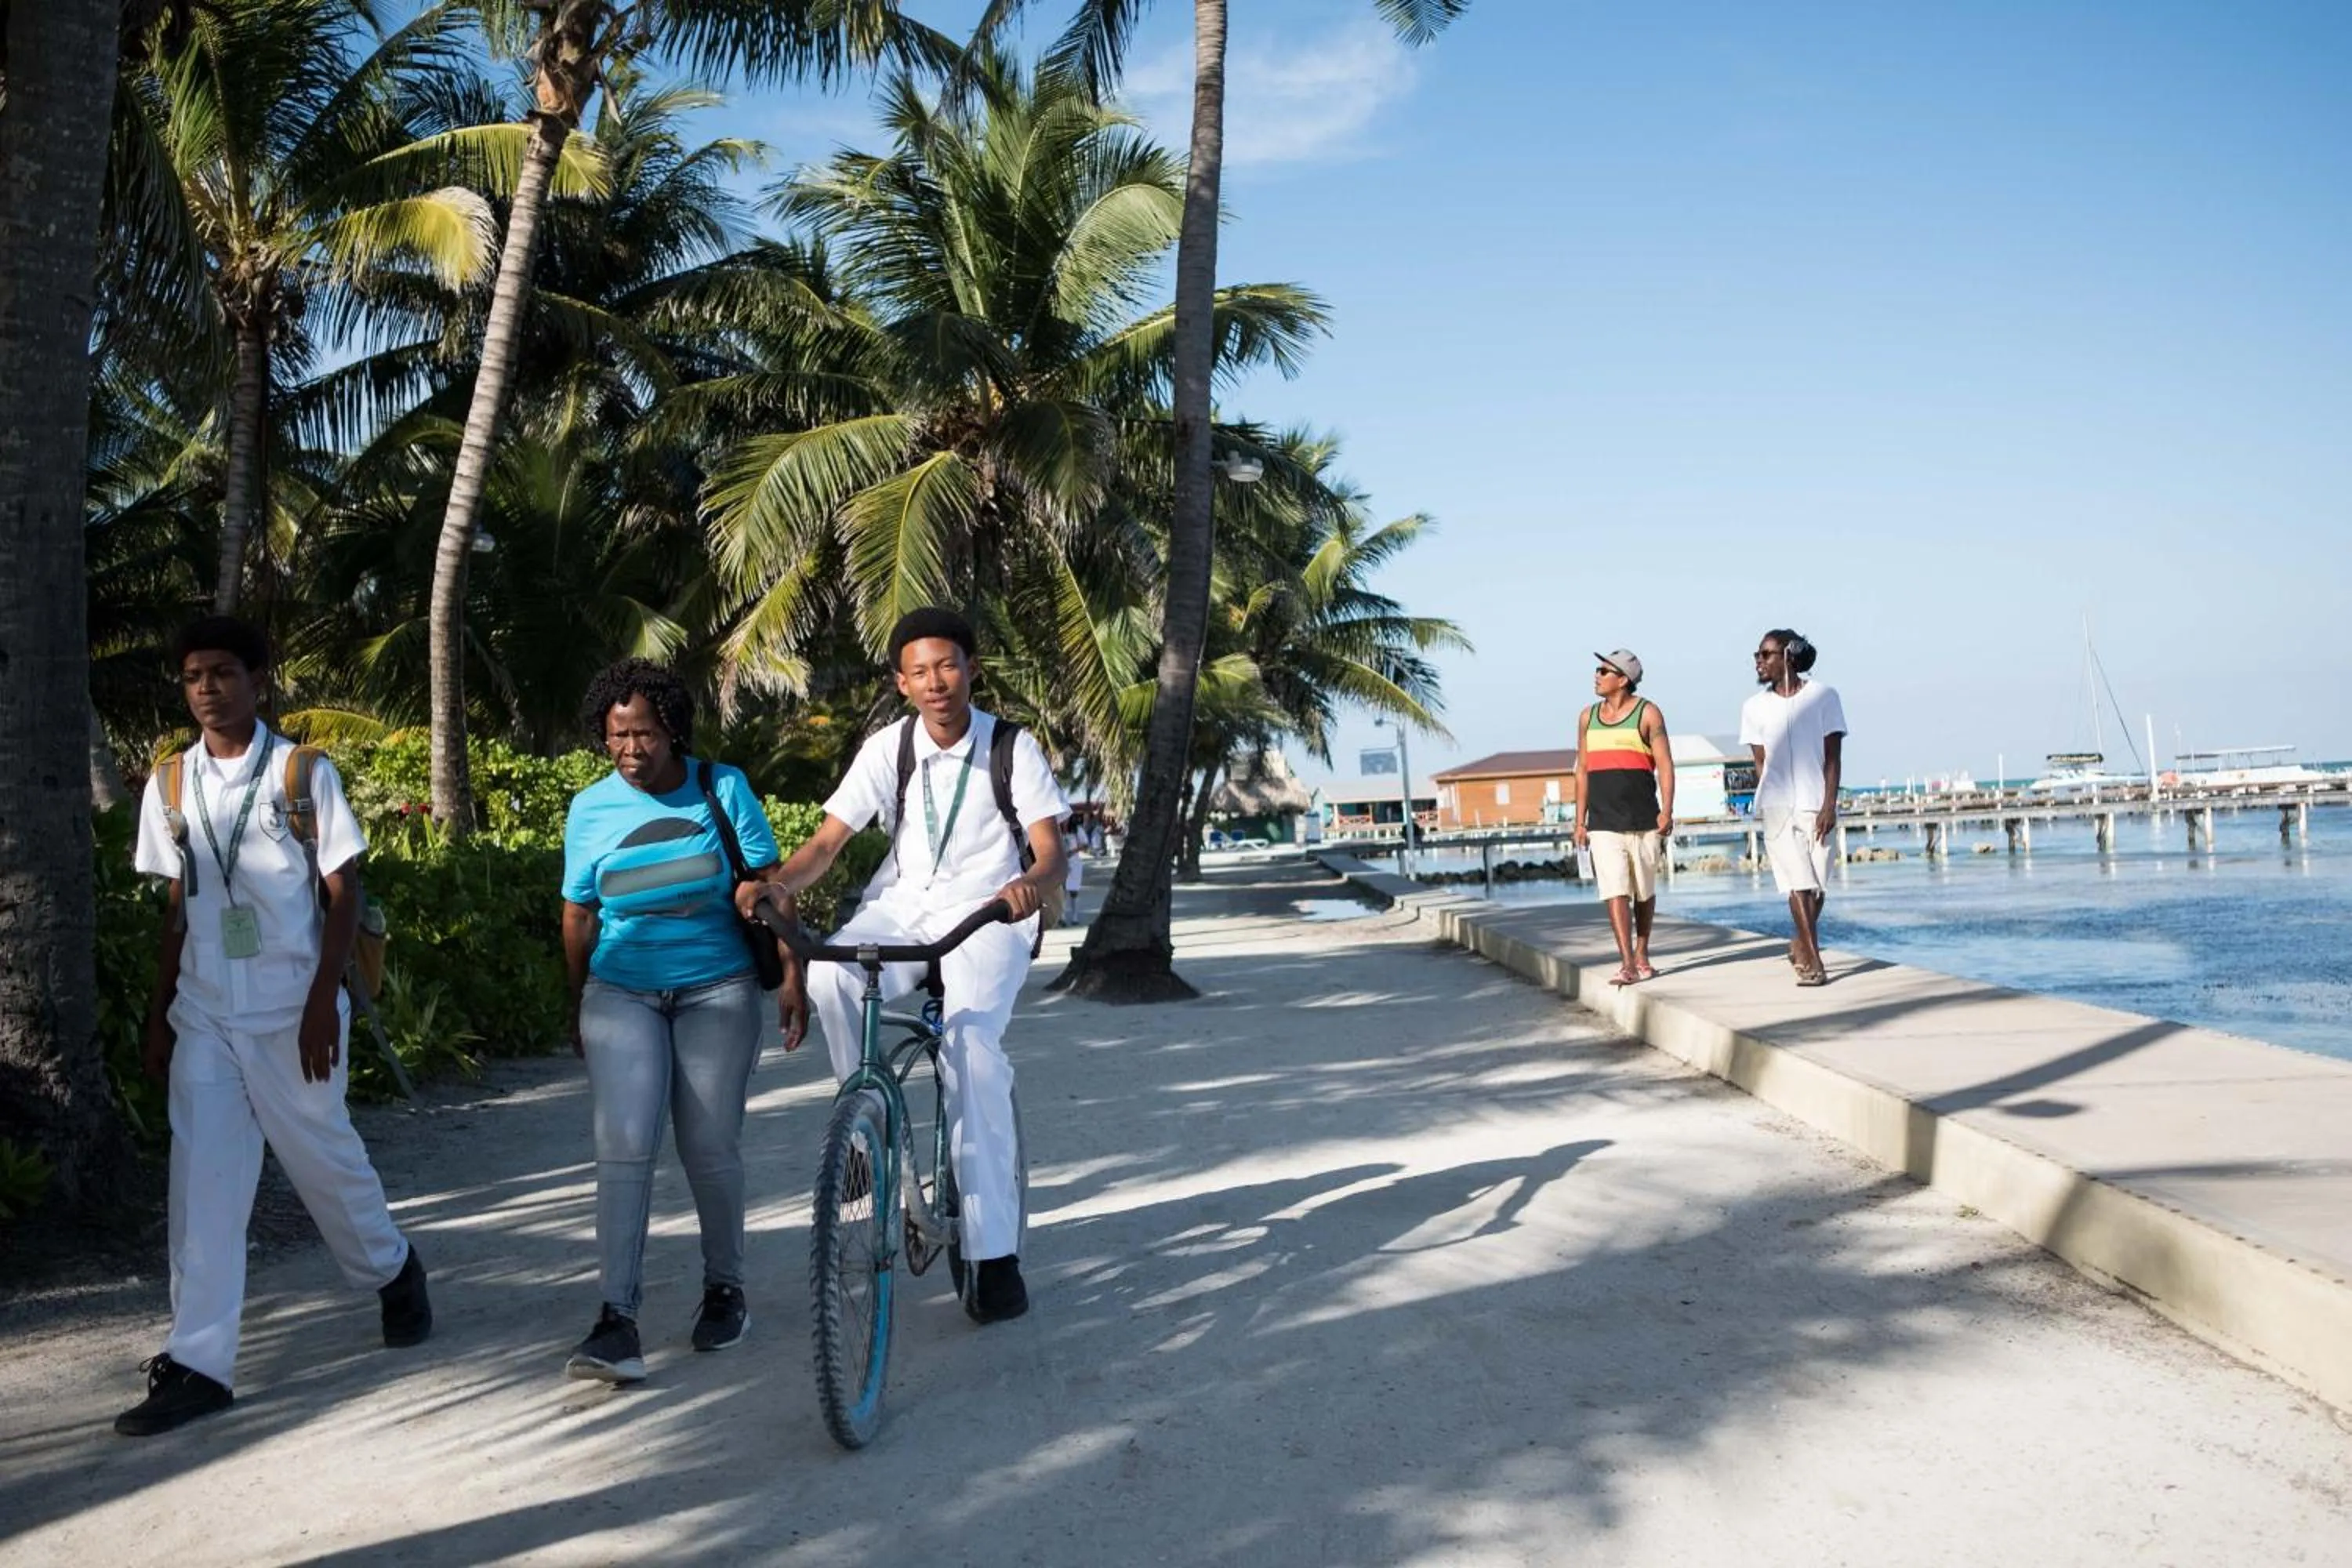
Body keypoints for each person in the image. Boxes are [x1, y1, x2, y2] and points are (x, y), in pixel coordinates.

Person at [120, 616, 431, 1437]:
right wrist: (160, 1019)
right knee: (202, 1191)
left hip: (296, 1011)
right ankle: (198, 1363)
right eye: (193, 675)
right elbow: (176, 909)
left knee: (324, 1160)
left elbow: (344, 892)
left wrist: (320, 1004)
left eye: (224, 671)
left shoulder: (302, 770)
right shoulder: (170, 784)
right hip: (206, 1016)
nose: (207, 688)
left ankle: (394, 1269)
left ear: (260, 679)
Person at [742, 608, 1068, 1324]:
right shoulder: (888, 747)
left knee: (970, 1053)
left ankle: (991, 1255)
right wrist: (779, 886)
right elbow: (827, 844)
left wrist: (1029, 887)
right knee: (831, 973)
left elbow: (1051, 853)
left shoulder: (1012, 747)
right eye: (918, 671)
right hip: (903, 907)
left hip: (989, 913)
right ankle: (865, 1125)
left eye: (947, 665)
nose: (935, 682)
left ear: (971, 668)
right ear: (901, 681)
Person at [558, 659, 806, 1383]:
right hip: (622, 990)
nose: (630, 749)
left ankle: (724, 1290)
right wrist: (578, 1000)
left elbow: (772, 890)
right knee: (624, 1145)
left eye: (643, 733)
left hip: (717, 989)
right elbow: (579, 912)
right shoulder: (590, 810)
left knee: (709, 1146)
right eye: (615, 736)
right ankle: (616, 1319)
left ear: (673, 730)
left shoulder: (721, 787)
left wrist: (795, 977)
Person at [1740, 629, 1848, 986]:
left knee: (1817, 886)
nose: (1759, 660)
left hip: (1817, 802)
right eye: (1757, 654)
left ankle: (1799, 941)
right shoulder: (1753, 707)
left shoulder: (1824, 697)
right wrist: (1770, 795)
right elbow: (1760, 760)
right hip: (1777, 807)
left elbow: (1833, 756)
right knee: (1797, 883)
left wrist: (1828, 805)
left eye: (1766, 654)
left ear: (1790, 655)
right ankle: (1814, 962)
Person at [1572, 649, 1676, 985]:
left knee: (1643, 891)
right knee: (1614, 888)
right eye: (1597, 670)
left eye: (1603, 671)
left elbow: (1665, 765)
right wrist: (1579, 821)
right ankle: (1627, 962)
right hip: (1603, 822)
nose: (1596, 675)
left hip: (1644, 818)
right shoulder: (1587, 717)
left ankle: (1642, 952)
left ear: (1623, 679)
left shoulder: (1648, 713)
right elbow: (1582, 770)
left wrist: (1667, 810)